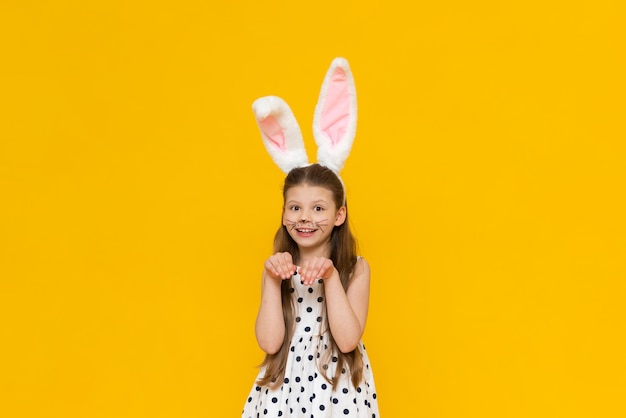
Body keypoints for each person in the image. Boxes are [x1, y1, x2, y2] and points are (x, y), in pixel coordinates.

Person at [242, 58, 379, 417]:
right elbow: (270, 342)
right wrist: (272, 281)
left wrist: (331, 276)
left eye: (319, 209)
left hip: (339, 391)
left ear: (339, 214)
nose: (305, 218)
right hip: (282, 389)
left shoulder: (355, 269)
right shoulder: (277, 268)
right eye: (295, 208)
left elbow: (348, 339)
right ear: (284, 212)